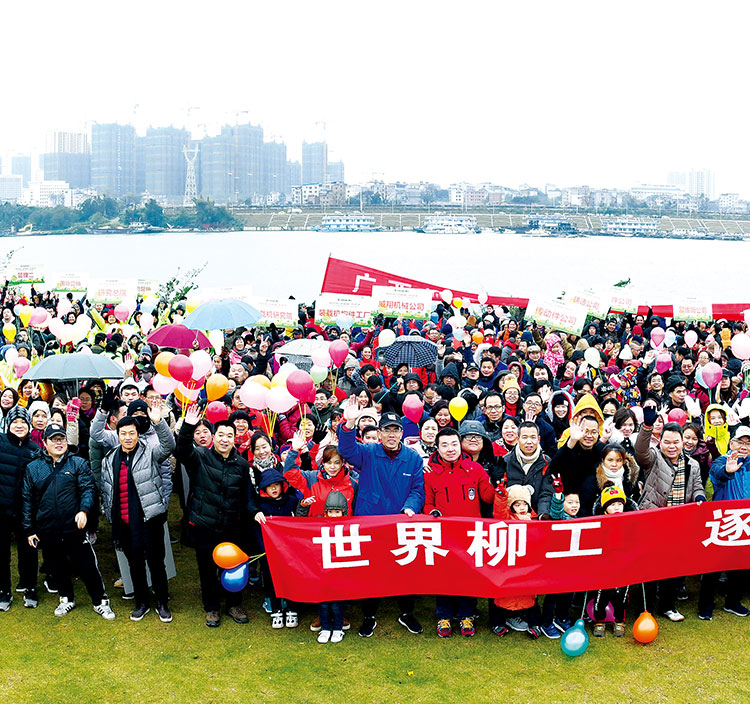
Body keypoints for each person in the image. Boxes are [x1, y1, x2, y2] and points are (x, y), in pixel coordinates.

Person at [338, 405, 425, 638]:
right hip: (370, 523)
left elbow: (418, 490)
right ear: (379, 433)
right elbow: (346, 449)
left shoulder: (413, 458)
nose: (391, 435)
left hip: (400, 523)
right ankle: (369, 616)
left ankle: (406, 613)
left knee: (406, 569)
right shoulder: (368, 452)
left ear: (402, 433)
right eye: (387, 430)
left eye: (396, 430)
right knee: (371, 571)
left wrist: (410, 507)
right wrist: (349, 423)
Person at [22, 424, 115, 620]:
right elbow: (27, 500)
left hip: (74, 527)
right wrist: (29, 529)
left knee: (87, 565)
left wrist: (83, 510)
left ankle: (100, 601)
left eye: (62, 439)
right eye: (54, 439)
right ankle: (66, 598)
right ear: (45, 442)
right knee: (57, 566)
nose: (59, 443)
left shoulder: (78, 463)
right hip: (47, 528)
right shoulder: (33, 468)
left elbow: (88, 489)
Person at [100, 398, 175, 622]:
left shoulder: (150, 451)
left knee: (156, 562)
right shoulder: (110, 459)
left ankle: (162, 602)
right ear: (118, 434)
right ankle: (141, 602)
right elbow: (106, 489)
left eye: (132, 433)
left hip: (149, 519)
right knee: (135, 564)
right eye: (123, 433)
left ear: (137, 433)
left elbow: (168, 446)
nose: (128, 437)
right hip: (124, 521)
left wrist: (159, 422)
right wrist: (108, 511)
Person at [175, 405, 251, 628]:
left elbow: (246, 496)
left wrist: (253, 515)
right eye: (221, 435)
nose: (225, 440)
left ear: (235, 439)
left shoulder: (241, 465)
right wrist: (188, 427)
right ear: (213, 437)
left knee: (233, 565)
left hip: (231, 526)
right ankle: (211, 608)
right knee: (207, 568)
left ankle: (234, 604)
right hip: (204, 525)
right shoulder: (200, 456)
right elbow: (181, 451)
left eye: (230, 436)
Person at [424, 427, 495, 637]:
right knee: (443, 576)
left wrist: (499, 489)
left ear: (460, 445)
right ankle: (443, 616)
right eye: (444, 445)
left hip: (470, 534)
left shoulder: (475, 469)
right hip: (443, 534)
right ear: (437, 448)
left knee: (468, 575)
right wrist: (432, 512)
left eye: (454, 444)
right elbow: (427, 504)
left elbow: (487, 497)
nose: (450, 449)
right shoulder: (429, 473)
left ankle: (466, 615)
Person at [636, 409, 706, 621]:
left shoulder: (692, 465)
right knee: (648, 567)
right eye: (667, 442)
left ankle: (667, 606)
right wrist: (646, 427)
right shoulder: (654, 458)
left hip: (678, 523)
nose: (672, 446)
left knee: (672, 567)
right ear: (661, 442)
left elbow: (697, 486)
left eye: (676, 442)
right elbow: (640, 451)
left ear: (682, 442)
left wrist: (700, 496)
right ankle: (645, 608)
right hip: (652, 520)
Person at [698, 426, 750, 620]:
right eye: (740, 442)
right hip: (723, 519)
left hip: (745, 521)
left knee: (741, 564)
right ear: (732, 443)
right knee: (714, 565)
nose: (744, 446)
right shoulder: (722, 460)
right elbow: (717, 474)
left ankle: (733, 602)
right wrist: (728, 471)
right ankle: (705, 605)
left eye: (748, 443)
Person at [0, 406, 40, 610]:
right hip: (2, 508)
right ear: (9, 424)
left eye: (23, 422)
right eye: (15, 422)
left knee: (29, 551)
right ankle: (3, 591)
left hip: (25, 510)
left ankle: (30, 587)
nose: (19, 425)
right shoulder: (1, 442)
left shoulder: (35, 450)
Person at [252, 469, 300, 629]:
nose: (273, 488)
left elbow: (300, 524)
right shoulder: (260, 507)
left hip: (291, 552)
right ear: (263, 489)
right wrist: (264, 548)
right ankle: (276, 610)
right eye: (269, 486)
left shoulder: (292, 502)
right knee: (271, 579)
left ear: (283, 486)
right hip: (269, 551)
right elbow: (257, 532)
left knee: (291, 578)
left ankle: (292, 609)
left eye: (277, 485)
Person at [591, 484, 638, 637]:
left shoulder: (630, 521)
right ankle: (599, 620)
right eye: (612, 505)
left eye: (619, 504)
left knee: (621, 595)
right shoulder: (599, 521)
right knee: (601, 594)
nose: (617, 507)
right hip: (604, 566)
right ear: (605, 507)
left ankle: (619, 620)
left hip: (624, 565)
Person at [313, 491, 350, 643]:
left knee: (336, 604)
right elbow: (300, 523)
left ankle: (338, 629)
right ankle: (326, 629)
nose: (334, 515)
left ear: (344, 512)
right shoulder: (318, 524)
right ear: (325, 512)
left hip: (339, 574)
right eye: (331, 512)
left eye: (337, 512)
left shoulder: (349, 526)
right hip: (322, 572)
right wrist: (303, 506)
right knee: (323, 604)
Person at [497, 421, 553, 517]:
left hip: (536, 515)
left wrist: (543, 514)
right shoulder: (506, 461)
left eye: (533, 437)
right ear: (518, 439)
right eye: (524, 437)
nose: (529, 441)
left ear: (538, 439)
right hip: (511, 516)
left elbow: (546, 493)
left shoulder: (546, 461)